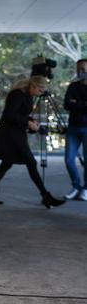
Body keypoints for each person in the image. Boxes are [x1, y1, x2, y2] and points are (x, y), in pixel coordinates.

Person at [0, 76, 65, 209]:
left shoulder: (26, 95)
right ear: (33, 86)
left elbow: (20, 114)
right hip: (11, 135)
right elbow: (9, 114)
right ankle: (46, 196)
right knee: (31, 163)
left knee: (6, 164)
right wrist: (28, 122)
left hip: (16, 133)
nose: (41, 93)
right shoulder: (18, 94)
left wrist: (31, 121)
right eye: (40, 89)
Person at [63, 58, 87, 200]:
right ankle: (76, 186)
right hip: (73, 127)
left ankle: (86, 189)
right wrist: (84, 104)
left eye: (83, 70)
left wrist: (76, 103)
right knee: (68, 159)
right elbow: (67, 104)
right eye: (78, 69)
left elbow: (72, 104)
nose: (80, 72)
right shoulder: (73, 87)